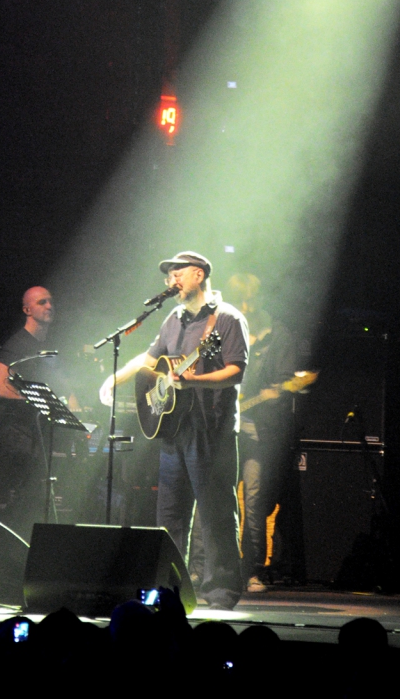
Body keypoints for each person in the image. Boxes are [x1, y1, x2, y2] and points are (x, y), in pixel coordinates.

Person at [100, 252, 248, 610]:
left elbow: (236, 371)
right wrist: (115, 379)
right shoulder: (173, 319)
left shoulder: (227, 318)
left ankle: (221, 592)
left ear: (199, 274)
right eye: (169, 276)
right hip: (174, 430)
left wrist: (193, 381)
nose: (171, 281)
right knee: (169, 516)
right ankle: (170, 589)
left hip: (211, 430)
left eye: (177, 274)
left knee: (215, 513)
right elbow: (150, 361)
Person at [226, 273, 297, 594]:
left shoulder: (278, 336)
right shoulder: (227, 330)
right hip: (224, 428)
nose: (245, 306)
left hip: (256, 430)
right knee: (217, 498)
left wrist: (275, 392)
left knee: (253, 501)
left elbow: (286, 381)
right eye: (240, 300)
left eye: (250, 300)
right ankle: (205, 568)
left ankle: (252, 571)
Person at [0, 286, 58, 535]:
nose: (49, 306)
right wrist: (34, 400)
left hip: (38, 430)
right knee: (22, 491)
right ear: (27, 310)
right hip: (17, 431)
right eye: (42, 302)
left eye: (50, 302)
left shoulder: (50, 344)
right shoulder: (18, 344)